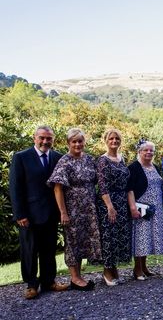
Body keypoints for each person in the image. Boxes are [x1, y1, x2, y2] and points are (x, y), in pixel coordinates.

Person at [9, 126, 67, 299]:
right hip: (29, 214)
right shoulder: (21, 157)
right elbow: (15, 188)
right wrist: (20, 214)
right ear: (34, 138)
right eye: (42, 138)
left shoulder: (58, 157)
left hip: (50, 213)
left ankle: (49, 281)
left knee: (49, 249)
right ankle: (31, 285)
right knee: (30, 250)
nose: (45, 141)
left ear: (53, 140)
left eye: (49, 138)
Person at [48, 128, 101, 291]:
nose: (77, 144)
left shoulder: (90, 159)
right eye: (74, 141)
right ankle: (75, 278)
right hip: (73, 208)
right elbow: (57, 188)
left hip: (89, 207)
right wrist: (63, 212)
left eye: (80, 141)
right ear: (68, 143)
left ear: (84, 142)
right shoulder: (65, 161)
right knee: (73, 242)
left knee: (85, 241)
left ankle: (79, 276)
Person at [127, 140, 163, 280]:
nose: (149, 153)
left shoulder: (155, 167)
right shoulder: (134, 167)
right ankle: (137, 269)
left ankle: (144, 267)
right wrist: (133, 207)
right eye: (146, 150)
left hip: (155, 208)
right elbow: (130, 189)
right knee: (140, 238)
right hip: (141, 208)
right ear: (139, 152)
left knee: (148, 238)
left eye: (151, 150)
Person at [96, 128, 132, 286]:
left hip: (122, 201)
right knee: (108, 237)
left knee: (118, 236)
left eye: (117, 138)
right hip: (108, 202)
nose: (114, 141)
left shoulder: (121, 158)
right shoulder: (103, 160)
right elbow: (102, 186)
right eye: (111, 139)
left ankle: (114, 268)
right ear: (105, 140)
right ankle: (106, 271)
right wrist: (110, 207)